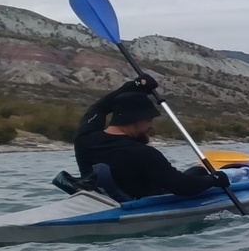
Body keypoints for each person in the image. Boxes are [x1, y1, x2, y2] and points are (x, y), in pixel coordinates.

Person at [73, 75, 228, 199]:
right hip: (143, 203)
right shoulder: (143, 153)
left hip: (99, 199)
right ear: (134, 118)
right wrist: (215, 179)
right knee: (200, 173)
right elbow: (183, 187)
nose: (151, 126)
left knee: (197, 172)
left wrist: (133, 86)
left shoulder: (84, 138)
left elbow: (98, 108)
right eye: (148, 120)